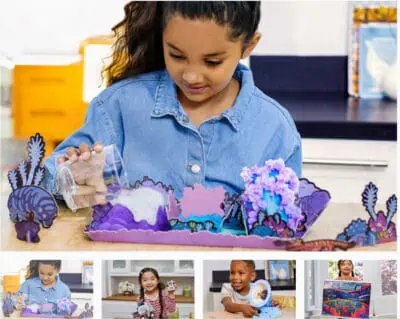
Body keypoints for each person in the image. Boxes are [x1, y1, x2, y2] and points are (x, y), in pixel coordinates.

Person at [42, 1, 302, 202]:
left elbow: (286, 216)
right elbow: (45, 178)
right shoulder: (119, 107)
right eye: (176, 55)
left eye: (212, 62)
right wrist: (72, 179)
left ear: (248, 45)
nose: (191, 76)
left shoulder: (274, 129)